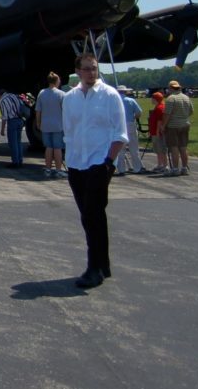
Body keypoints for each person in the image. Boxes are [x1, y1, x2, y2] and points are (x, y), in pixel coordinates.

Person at [62, 53, 127, 289]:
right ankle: (103, 265)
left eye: (94, 69)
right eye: (87, 69)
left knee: (93, 214)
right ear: (77, 71)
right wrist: (68, 160)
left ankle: (94, 268)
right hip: (76, 164)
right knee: (88, 216)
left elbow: (120, 133)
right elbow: (69, 131)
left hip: (99, 163)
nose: (92, 73)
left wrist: (108, 162)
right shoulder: (70, 98)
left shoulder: (110, 96)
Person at [35, 72, 67, 178]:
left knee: (48, 147)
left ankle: (48, 169)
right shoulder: (62, 94)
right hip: (58, 125)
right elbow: (66, 111)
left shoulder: (42, 93)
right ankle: (58, 169)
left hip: (45, 125)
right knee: (58, 148)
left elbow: (38, 110)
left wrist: (38, 123)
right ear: (56, 81)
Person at [162, 80, 194, 176]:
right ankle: (184, 168)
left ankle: (175, 168)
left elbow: (167, 114)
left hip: (173, 126)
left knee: (174, 147)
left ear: (171, 88)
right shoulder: (186, 97)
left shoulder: (171, 99)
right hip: (185, 124)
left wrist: (163, 126)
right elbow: (191, 111)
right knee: (183, 147)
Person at [116, 86, 144, 175]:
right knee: (134, 147)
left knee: (120, 149)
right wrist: (134, 118)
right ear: (125, 92)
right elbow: (139, 112)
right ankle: (137, 168)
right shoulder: (131, 100)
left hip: (119, 125)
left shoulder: (115, 101)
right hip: (130, 123)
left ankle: (121, 169)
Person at [0, 88, 25, 168]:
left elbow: (4, 116)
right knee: (19, 142)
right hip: (20, 120)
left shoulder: (2, 101)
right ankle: (20, 160)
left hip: (12, 121)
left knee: (13, 143)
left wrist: (2, 129)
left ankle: (15, 162)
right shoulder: (14, 95)